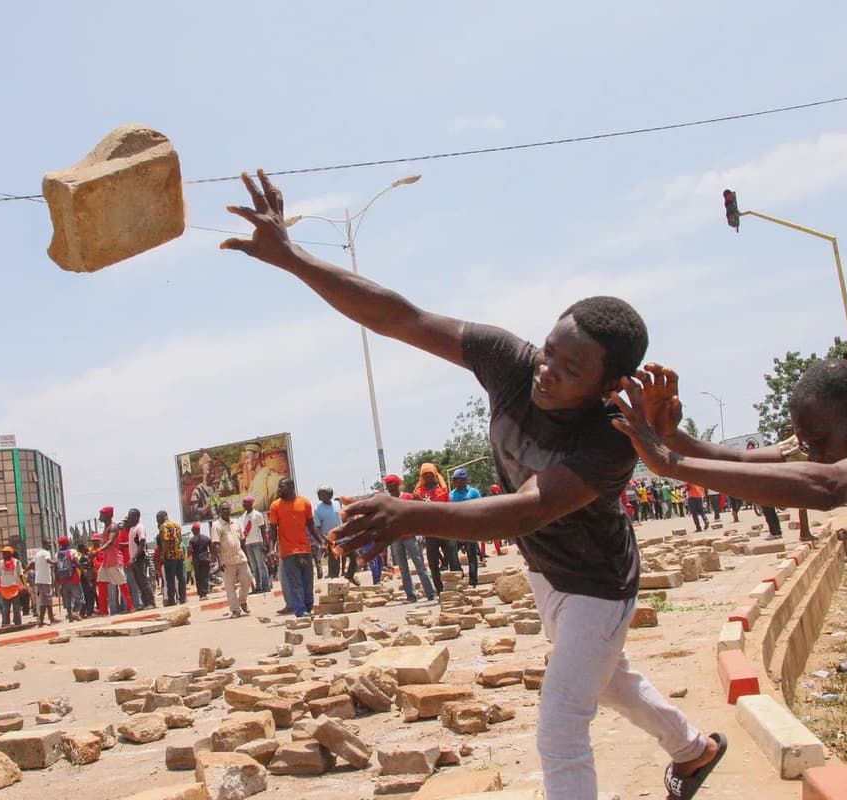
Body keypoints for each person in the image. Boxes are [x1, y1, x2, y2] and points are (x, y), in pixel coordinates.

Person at [221, 171, 725, 800]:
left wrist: (408, 514)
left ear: (606, 386)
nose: (547, 373)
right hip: (550, 576)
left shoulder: (607, 441)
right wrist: (293, 258)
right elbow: (397, 317)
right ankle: (695, 749)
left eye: (569, 371)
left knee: (562, 724)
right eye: (548, 352)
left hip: (598, 586)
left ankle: (688, 749)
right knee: (609, 678)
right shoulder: (507, 361)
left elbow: (524, 512)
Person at [612, 358, 847, 799]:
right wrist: (671, 436)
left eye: (817, 443)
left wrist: (670, 462)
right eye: (805, 444)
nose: (810, 455)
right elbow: (742, 461)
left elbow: (831, 487)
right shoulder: (842, 440)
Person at [383, 475, 436, 602]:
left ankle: (430, 593)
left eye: (391, 483)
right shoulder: (387, 501)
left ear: (397, 484)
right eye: (387, 484)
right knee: (403, 568)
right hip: (395, 538)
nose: (388, 486)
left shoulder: (407, 497)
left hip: (409, 536)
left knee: (419, 565)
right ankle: (411, 595)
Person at [268, 477, 317, 617]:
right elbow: (272, 529)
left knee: (308, 581)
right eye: (279, 487)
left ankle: (309, 608)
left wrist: (321, 541)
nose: (279, 490)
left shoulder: (305, 503)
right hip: (288, 551)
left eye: (282, 486)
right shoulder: (275, 506)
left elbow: (311, 526)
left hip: (305, 549)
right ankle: (300, 611)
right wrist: (271, 548)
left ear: (291, 487)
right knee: (295, 582)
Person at [413, 463, 457, 594]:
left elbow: (449, 509)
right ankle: (440, 590)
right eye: (424, 474)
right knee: (432, 562)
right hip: (429, 532)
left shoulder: (442, 490)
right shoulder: (418, 493)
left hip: (445, 529)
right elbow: (415, 512)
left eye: (430, 474)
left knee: (452, 557)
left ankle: (457, 585)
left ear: (435, 475)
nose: (427, 476)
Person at [211, 501, 252, 617]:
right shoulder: (216, 526)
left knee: (247, 579)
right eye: (223, 509)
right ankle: (235, 610)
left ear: (230, 510)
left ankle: (242, 600)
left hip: (240, 557)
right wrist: (220, 560)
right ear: (219, 511)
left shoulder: (236, 523)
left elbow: (242, 541)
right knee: (230, 587)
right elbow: (216, 544)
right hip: (226, 560)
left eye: (227, 508)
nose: (225, 511)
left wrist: (247, 556)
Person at [448, 468, 484, 586]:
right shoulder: (451, 495)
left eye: (456, 479)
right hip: (456, 531)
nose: (454, 481)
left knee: (471, 556)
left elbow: (481, 508)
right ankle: (460, 574)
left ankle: (473, 581)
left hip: (470, 529)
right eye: (453, 479)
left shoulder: (473, 493)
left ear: (463, 479)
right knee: (452, 553)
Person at [124, 508, 156, 609]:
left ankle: (151, 602)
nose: (129, 518)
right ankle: (145, 603)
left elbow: (142, 543)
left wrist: (134, 557)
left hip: (140, 557)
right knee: (138, 582)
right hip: (135, 559)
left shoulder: (140, 527)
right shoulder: (132, 529)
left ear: (137, 516)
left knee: (143, 581)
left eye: (131, 516)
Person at [239, 496, 270, 593]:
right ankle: (259, 586)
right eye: (243, 503)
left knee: (261, 565)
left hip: (257, 542)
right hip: (248, 543)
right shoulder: (243, 516)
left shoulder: (257, 515)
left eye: (245, 503)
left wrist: (265, 543)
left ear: (251, 503)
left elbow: (262, 529)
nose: (243, 505)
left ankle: (266, 586)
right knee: (254, 566)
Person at [156, 511, 187, 606]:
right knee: (181, 578)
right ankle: (183, 598)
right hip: (179, 555)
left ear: (162, 517)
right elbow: (180, 539)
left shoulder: (163, 527)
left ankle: (171, 600)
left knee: (170, 579)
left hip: (170, 556)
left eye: (157, 518)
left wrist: (162, 555)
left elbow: (165, 541)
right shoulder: (177, 525)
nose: (157, 520)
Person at [313, 486, 342, 580]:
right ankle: (335, 579)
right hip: (330, 538)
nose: (320, 496)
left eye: (322, 494)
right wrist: (323, 540)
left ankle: (349, 575)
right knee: (335, 559)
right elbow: (317, 527)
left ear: (330, 494)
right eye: (319, 494)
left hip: (343, 535)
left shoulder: (337, 503)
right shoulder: (318, 509)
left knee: (354, 556)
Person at [29, 539, 58, 626]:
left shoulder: (38, 553)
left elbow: (31, 564)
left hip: (39, 580)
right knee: (48, 600)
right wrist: (56, 562)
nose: (50, 546)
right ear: (45, 544)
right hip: (45, 580)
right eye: (49, 544)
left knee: (43, 600)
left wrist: (25, 570)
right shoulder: (46, 553)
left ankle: (42, 620)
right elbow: (49, 561)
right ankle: (51, 619)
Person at [0, 546, 24, 626]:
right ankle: (5, 624)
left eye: (5, 553)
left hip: (15, 588)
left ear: (10, 553)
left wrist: (23, 587)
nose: (3, 554)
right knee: (5, 609)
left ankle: (18, 623)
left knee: (16, 608)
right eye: (3, 553)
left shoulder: (17, 562)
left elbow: (20, 575)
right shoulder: (0, 563)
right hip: (4, 589)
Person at [188, 522, 212, 600]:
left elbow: (189, 551)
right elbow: (211, 547)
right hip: (205, 559)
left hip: (196, 560)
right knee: (205, 577)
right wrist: (211, 556)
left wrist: (190, 556)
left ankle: (201, 594)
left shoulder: (191, 540)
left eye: (192, 529)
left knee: (198, 577)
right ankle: (204, 593)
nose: (191, 531)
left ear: (194, 530)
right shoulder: (206, 538)